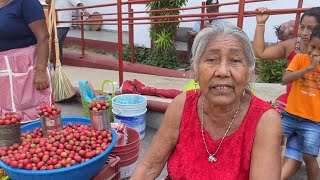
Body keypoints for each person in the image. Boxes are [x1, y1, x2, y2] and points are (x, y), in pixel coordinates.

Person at [131, 22, 282, 180]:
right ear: (195, 70)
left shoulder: (265, 121)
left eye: (235, 60)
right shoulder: (182, 105)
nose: (223, 71)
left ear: (249, 73)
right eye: (212, 59)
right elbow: (149, 166)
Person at [253, 7, 320, 179]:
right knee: (269, 131)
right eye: (302, 27)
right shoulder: (294, 46)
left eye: (311, 28)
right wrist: (261, 23)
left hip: (312, 111)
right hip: (289, 105)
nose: (305, 33)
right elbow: (260, 53)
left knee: (300, 149)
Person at [0, 0, 51, 122]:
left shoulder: (27, 2)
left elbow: (43, 37)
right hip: (3, 70)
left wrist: (40, 72)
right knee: (7, 115)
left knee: (28, 111)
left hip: (24, 67)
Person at [281, 25, 320, 180]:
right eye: (313, 47)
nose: (315, 53)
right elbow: (285, 80)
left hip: (313, 122)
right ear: (308, 43)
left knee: (309, 155)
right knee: (271, 142)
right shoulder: (300, 59)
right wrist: (308, 68)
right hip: (290, 115)